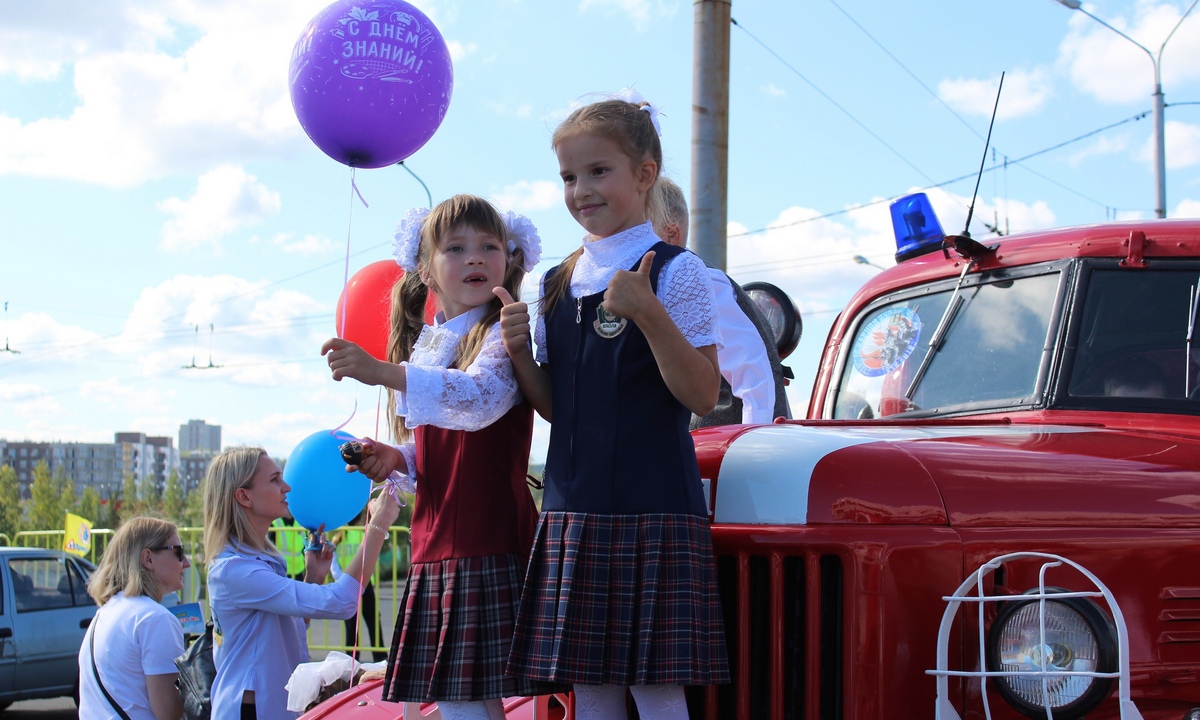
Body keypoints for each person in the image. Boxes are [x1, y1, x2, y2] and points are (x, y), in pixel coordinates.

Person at [496, 94, 730, 719]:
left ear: (645, 174)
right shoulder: (554, 281)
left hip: (653, 503)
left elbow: (703, 394)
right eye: (569, 177)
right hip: (574, 506)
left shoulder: (677, 271)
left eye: (599, 171)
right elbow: (557, 408)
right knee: (591, 687)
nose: (581, 190)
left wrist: (650, 314)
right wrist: (521, 354)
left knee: (656, 688)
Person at [320, 194, 549, 720]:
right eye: (456, 247)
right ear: (426, 269)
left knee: (471, 705)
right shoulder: (431, 345)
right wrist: (397, 458)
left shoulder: (502, 332)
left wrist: (382, 371)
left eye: (488, 246)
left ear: (508, 259)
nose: (474, 257)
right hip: (439, 540)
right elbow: (440, 443)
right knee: (460, 703)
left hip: (487, 539)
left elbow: (475, 401)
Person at [203, 446, 400, 720]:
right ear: (244, 496)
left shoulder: (260, 559)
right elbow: (343, 602)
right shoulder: (235, 570)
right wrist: (379, 523)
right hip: (251, 711)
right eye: (274, 480)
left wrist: (314, 578)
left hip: (270, 706)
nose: (286, 487)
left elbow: (277, 631)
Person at [649, 175, 791, 427]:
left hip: (721, 448)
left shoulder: (703, 281)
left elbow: (753, 371)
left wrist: (755, 445)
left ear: (670, 234)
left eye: (635, 230)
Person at [78, 516, 189, 720]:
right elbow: (169, 712)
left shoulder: (105, 613)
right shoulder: (154, 619)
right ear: (148, 559)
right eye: (179, 552)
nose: (187, 563)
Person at [329, 510, 385, 662]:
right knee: (373, 621)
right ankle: (380, 658)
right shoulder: (363, 534)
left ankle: (351, 659)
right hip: (365, 583)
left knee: (351, 625)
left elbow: (333, 561)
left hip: (346, 585)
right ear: (360, 518)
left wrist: (339, 578)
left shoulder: (340, 535)